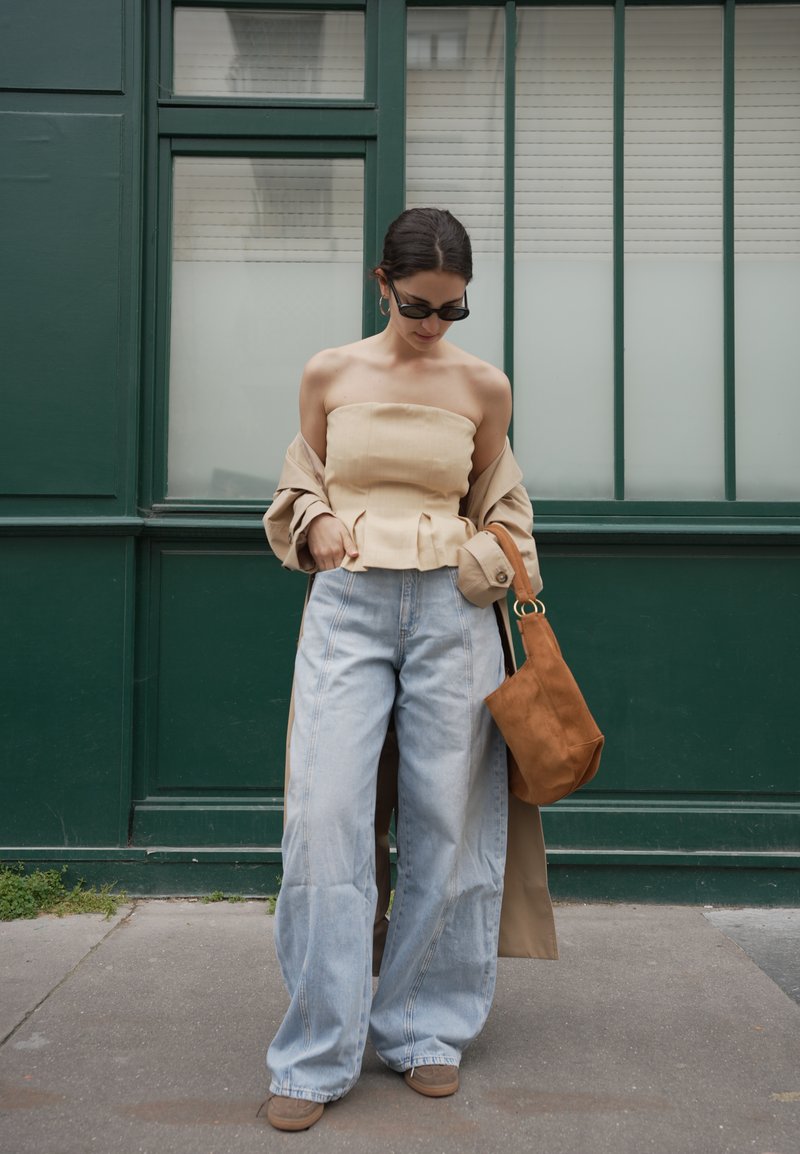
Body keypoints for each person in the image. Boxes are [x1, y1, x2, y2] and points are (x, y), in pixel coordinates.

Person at [262, 208, 556, 1133]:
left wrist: (494, 553)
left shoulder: (483, 387)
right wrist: (314, 522)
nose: (435, 325)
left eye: (455, 310)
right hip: (347, 603)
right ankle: (316, 1050)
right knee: (324, 818)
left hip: (449, 610)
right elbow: (300, 479)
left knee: (448, 819)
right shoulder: (330, 372)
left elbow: (500, 502)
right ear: (380, 283)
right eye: (420, 305)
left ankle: (424, 1027)